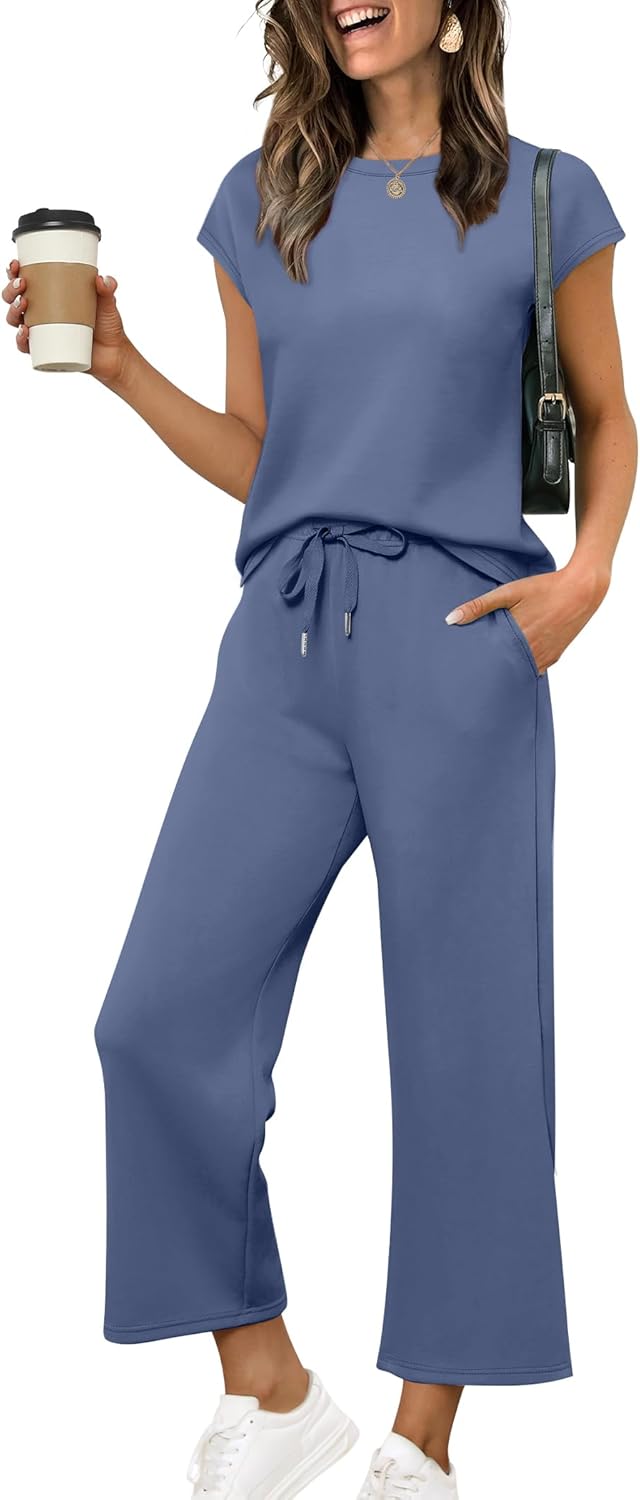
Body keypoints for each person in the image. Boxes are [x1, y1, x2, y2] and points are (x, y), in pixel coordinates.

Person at [6, 2, 636, 1496]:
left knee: (470, 1043)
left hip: (461, 635)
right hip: (282, 641)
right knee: (155, 1018)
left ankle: (423, 1443)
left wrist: (585, 578)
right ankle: (272, 1388)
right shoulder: (259, 200)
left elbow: (610, 416)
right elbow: (263, 454)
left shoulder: (546, 196)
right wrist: (120, 367)